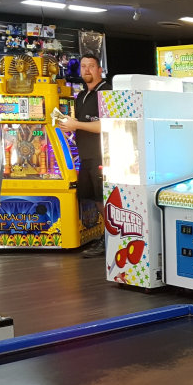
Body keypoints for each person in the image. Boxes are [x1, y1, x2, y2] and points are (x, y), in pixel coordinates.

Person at [59, 52, 110, 258]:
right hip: (86, 156)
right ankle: (107, 236)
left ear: (100, 70)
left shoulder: (107, 91)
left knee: (103, 198)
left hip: (102, 156)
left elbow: (107, 125)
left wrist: (76, 125)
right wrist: (69, 128)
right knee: (95, 198)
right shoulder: (81, 95)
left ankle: (111, 238)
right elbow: (84, 124)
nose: (87, 70)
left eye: (91, 66)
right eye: (83, 66)